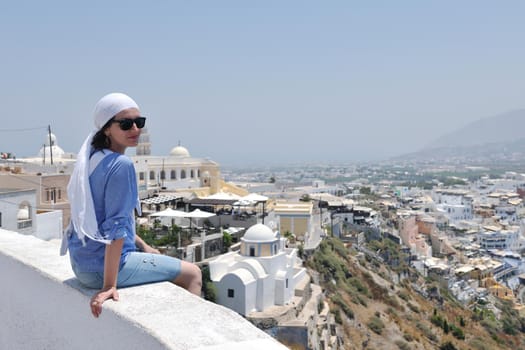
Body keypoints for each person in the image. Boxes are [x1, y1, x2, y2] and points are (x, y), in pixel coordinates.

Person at [62, 92, 202, 318]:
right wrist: (109, 285)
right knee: (193, 274)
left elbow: (102, 217)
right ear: (107, 128)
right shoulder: (121, 165)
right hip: (101, 269)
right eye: (126, 124)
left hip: (81, 264)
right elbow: (116, 228)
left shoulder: (91, 159)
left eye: (140, 122)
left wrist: (143, 245)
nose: (135, 129)